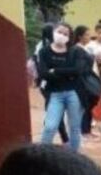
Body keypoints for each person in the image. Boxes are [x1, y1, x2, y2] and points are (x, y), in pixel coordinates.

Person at [38, 22, 89, 152]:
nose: (62, 35)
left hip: (74, 93)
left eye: (66, 34)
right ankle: (41, 156)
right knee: (50, 127)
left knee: (74, 128)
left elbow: (77, 70)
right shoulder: (44, 51)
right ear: (53, 32)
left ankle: (74, 156)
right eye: (59, 32)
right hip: (55, 94)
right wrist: (67, 74)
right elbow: (43, 73)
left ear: (70, 37)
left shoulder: (75, 51)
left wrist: (55, 70)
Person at [33, 24, 69, 146]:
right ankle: (64, 139)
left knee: (52, 111)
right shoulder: (44, 48)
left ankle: (51, 138)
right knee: (56, 112)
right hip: (49, 84)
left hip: (46, 84)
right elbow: (42, 69)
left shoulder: (42, 45)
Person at [74, 24, 100, 140]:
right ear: (80, 37)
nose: (89, 37)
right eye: (87, 35)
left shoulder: (85, 49)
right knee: (85, 105)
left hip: (88, 79)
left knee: (90, 104)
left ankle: (87, 130)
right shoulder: (77, 50)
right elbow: (80, 68)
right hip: (83, 81)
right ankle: (83, 131)